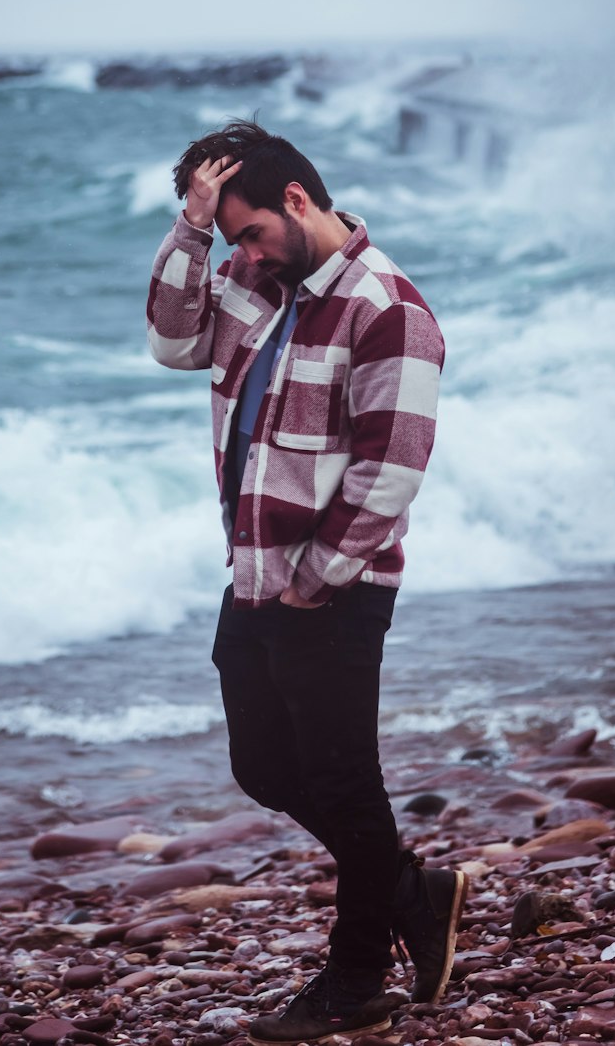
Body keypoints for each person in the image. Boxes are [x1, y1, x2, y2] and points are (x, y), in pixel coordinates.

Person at [146, 120, 467, 1044]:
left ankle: (358, 977)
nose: (241, 253)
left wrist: (317, 581)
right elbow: (173, 345)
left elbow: (392, 467)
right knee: (264, 766)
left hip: (333, 585)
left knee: (342, 778)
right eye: (230, 237)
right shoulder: (251, 279)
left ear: (298, 200)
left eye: (249, 232)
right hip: (253, 569)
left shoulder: (388, 309)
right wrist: (196, 231)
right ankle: (413, 890)